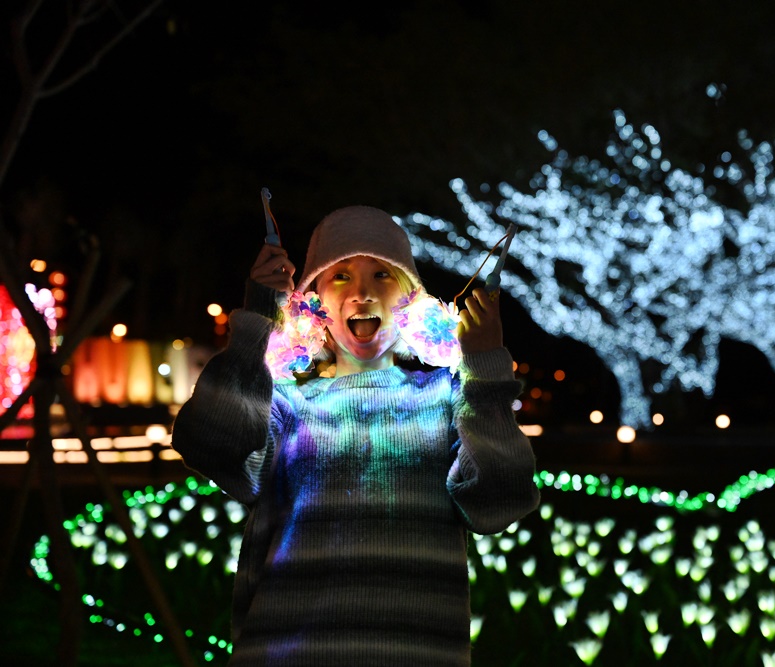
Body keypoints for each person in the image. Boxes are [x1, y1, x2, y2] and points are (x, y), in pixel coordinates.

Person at [170, 205, 540, 666]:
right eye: (340, 276)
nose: (363, 293)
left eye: (382, 275)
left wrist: (484, 371)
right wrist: (256, 324)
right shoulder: (287, 405)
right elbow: (209, 445)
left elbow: (499, 501)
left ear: (412, 299)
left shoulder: (447, 400)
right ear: (314, 300)